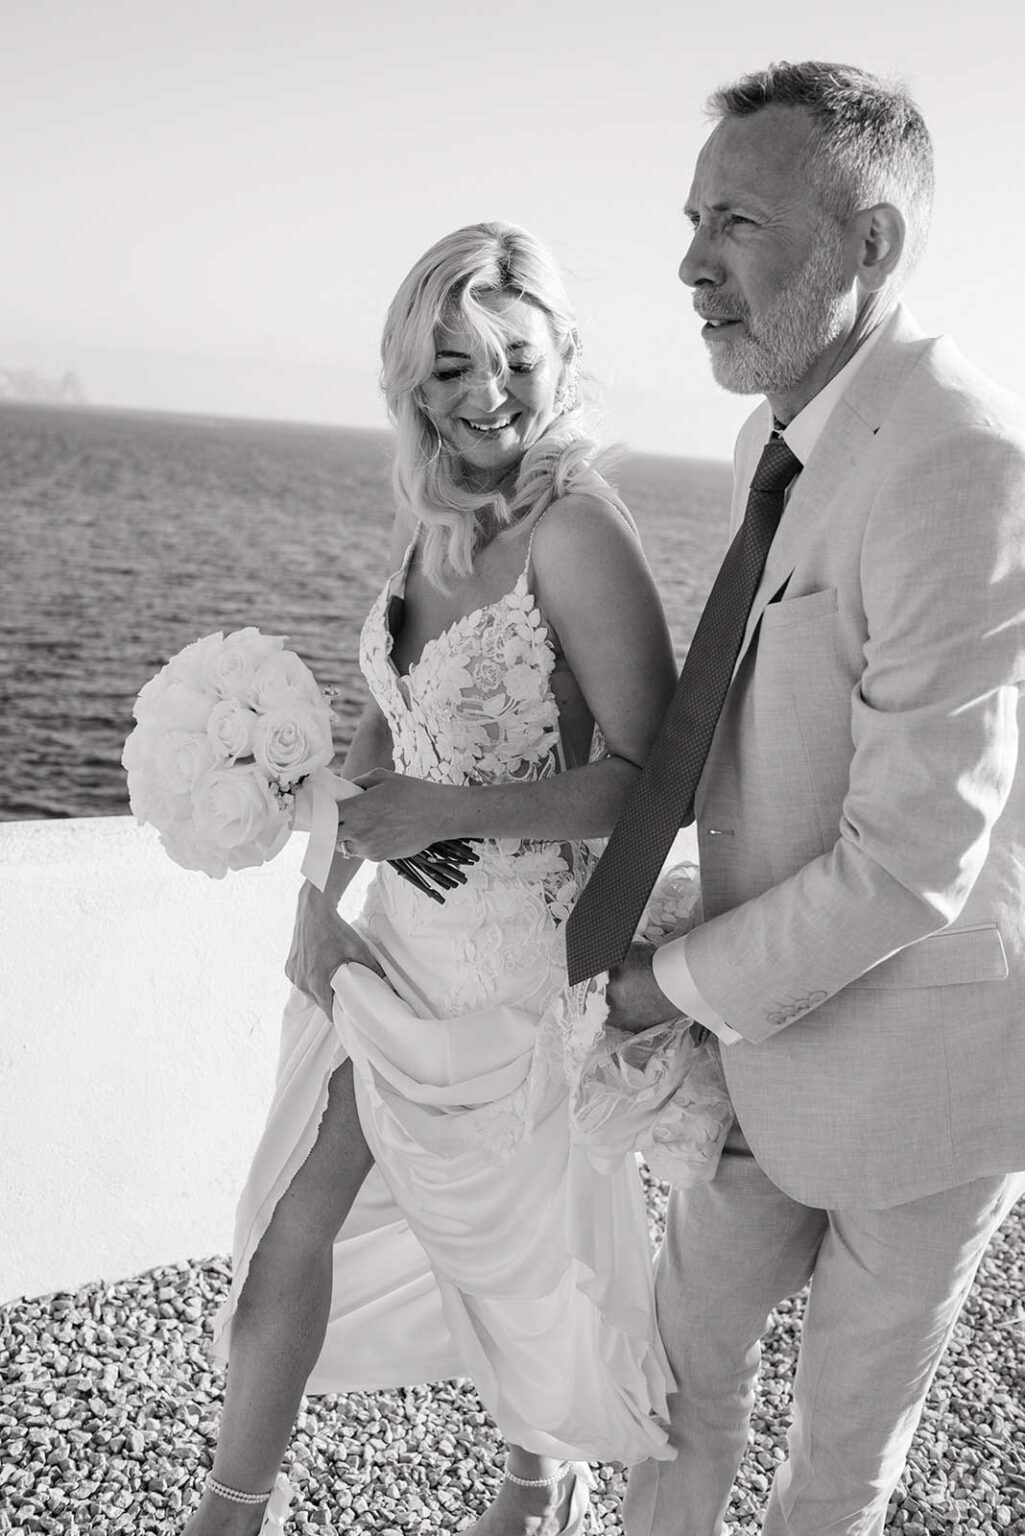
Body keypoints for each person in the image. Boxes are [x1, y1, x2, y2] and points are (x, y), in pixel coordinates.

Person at [567, 61, 1025, 1536]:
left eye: (740, 222)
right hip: (761, 1054)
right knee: (668, 1388)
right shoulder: (776, 438)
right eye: (693, 219)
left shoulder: (963, 461)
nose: (692, 264)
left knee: (834, 1470)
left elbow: (913, 857)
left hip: (926, 1089)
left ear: (867, 244)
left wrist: (663, 986)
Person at [182, 220, 684, 1536]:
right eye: (452, 365)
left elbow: (652, 780)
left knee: (522, 1267)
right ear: (413, 377)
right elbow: (382, 720)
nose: (486, 393)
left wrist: (447, 812)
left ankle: (536, 1488)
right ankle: (231, 1513)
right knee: (288, 1219)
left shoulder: (579, 531)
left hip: (513, 974)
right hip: (391, 951)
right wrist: (318, 900)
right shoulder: (438, 516)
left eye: (514, 358)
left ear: (562, 355)